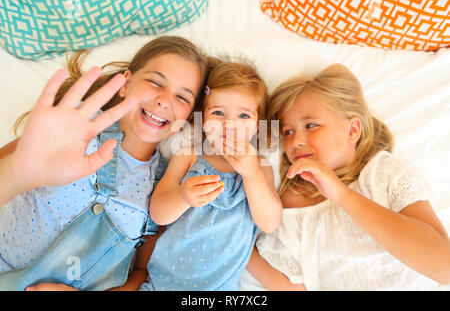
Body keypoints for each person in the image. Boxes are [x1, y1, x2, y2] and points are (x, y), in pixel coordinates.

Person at [0, 36, 209, 291]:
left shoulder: (165, 187)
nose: (164, 100)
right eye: (155, 82)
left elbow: (142, 273)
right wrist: (23, 170)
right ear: (125, 84)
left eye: (182, 98)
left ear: (188, 117)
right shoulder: (76, 125)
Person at [247, 63, 450, 290]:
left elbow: (444, 268)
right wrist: (238, 249)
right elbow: (294, 285)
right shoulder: (291, 205)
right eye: (288, 132)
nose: (295, 141)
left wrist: (342, 195)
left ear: (352, 130)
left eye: (311, 125)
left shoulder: (382, 175)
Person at [133, 59, 283, 291]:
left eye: (243, 117)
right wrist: (182, 196)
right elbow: (158, 213)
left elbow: (270, 223)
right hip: (164, 282)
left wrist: (251, 175)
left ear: (257, 124)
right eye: (218, 113)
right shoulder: (189, 156)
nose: (230, 124)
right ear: (202, 119)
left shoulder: (259, 166)